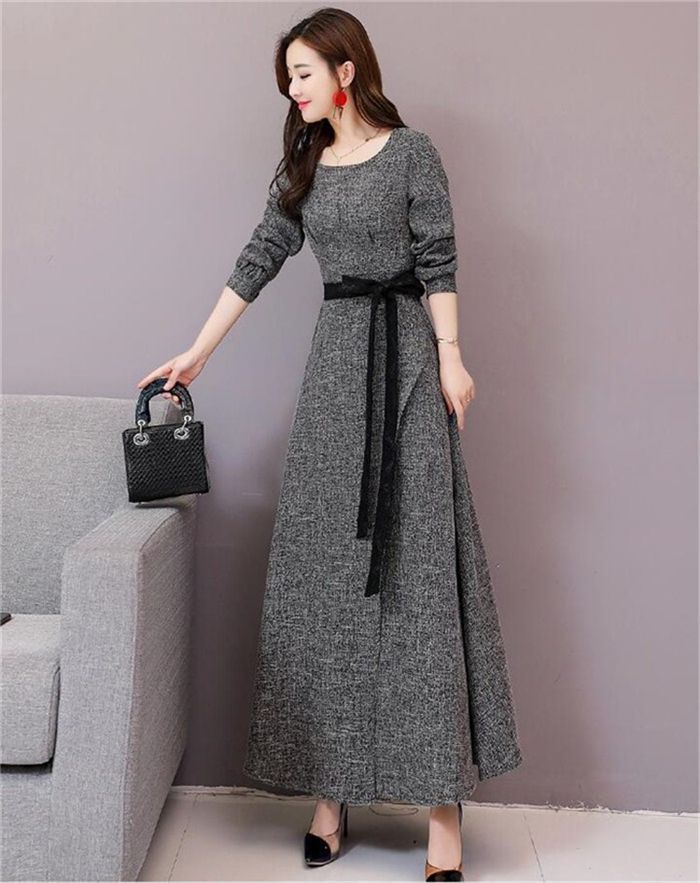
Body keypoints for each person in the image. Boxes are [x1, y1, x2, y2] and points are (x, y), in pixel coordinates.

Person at [137, 7, 523, 881]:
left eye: (304, 72)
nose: (293, 88)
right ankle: (330, 791)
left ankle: (442, 805)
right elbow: (259, 257)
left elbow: (439, 260)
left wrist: (452, 357)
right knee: (326, 582)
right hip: (337, 375)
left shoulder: (413, 153)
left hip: (409, 368)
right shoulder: (305, 165)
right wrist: (198, 353)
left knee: (420, 580)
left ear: (346, 71)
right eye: (288, 76)